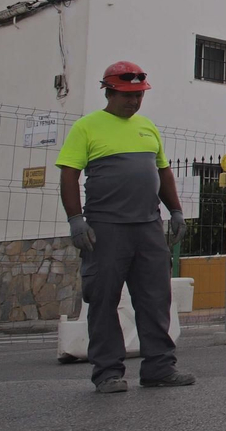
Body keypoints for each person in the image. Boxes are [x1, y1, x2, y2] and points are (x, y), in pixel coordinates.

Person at [57, 61, 195, 393]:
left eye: (139, 96)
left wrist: (175, 211)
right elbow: (68, 174)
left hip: (148, 226)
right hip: (105, 228)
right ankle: (107, 373)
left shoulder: (148, 128)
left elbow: (162, 172)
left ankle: (159, 368)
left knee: (154, 298)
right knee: (103, 300)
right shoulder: (86, 127)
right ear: (109, 92)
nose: (134, 102)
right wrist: (76, 220)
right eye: (127, 96)